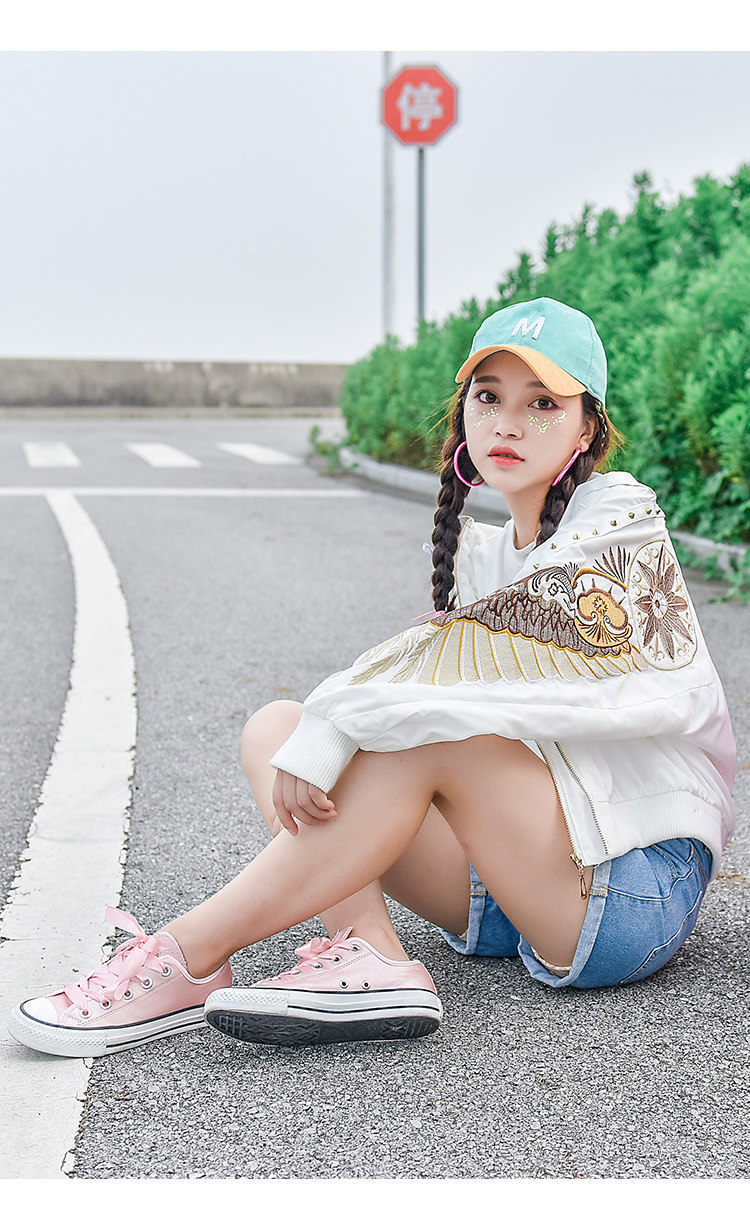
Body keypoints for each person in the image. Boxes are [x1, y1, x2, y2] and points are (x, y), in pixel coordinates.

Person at [8, 297, 737, 1059]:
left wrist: (341, 719)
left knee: (425, 732)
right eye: (488, 397)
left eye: (543, 404)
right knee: (278, 729)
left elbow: (474, 662)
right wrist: (325, 724)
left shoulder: (620, 519)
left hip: (630, 888)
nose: (508, 424)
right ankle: (372, 957)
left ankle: (183, 957)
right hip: (515, 875)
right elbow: (442, 675)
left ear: (587, 429)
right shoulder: (488, 555)